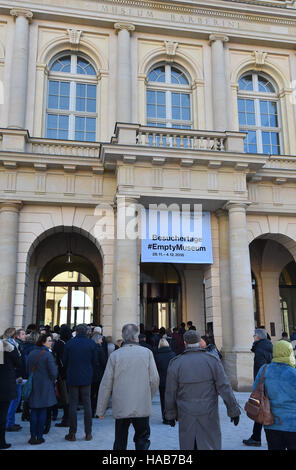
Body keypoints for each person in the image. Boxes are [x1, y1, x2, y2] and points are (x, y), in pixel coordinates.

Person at [165, 330, 240, 450]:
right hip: (208, 411)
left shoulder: (176, 363)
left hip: (186, 412)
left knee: (189, 444)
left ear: (185, 343)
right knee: (209, 444)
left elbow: (170, 392)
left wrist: (170, 414)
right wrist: (233, 409)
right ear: (200, 342)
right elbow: (224, 386)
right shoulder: (212, 360)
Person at [96, 323, 159, 450]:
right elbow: (154, 380)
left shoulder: (115, 355)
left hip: (121, 403)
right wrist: (148, 396)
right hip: (141, 403)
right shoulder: (147, 353)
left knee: (120, 439)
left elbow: (106, 384)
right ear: (136, 337)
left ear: (123, 337)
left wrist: (101, 409)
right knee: (142, 439)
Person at [253, 340, 296, 450]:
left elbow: (255, 390)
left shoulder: (264, 369)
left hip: (270, 421)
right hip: (292, 423)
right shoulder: (293, 373)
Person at [63, 323, 98, 442]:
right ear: (87, 332)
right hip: (87, 377)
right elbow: (95, 361)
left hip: (73, 376)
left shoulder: (69, 343)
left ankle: (72, 433)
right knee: (87, 404)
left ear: (76, 332)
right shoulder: (91, 343)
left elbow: (65, 361)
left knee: (73, 404)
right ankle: (88, 433)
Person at [243, 328, 273, 447]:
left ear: (258, 337)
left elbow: (261, 370)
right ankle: (256, 436)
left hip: (263, 384)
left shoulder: (260, 349)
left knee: (260, 410)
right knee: (264, 410)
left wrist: (258, 387)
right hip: (270, 382)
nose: (253, 337)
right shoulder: (268, 345)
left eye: (254, 335)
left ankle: (256, 437)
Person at [27, 333, 58, 445]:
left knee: (34, 411)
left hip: (33, 384)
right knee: (42, 411)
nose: (51, 342)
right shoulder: (47, 355)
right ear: (43, 342)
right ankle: (39, 436)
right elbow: (54, 372)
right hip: (45, 385)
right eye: (49, 340)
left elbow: (28, 368)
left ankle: (32, 436)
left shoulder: (31, 353)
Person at [0, 336, 22, 449]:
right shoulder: (8, 348)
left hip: (4, 385)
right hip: (4, 385)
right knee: (2, 414)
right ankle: (1, 441)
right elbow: (19, 363)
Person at [3, 328, 25, 432]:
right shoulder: (13, 346)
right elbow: (18, 362)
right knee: (14, 401)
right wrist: (18, 375)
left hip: (8, 376)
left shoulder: (3, 344)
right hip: (14, 376)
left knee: (12, 401)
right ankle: (9, 423)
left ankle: (9, 422)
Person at [52, 324, 72, 428]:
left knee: (64, 396)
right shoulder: (71, 342)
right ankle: (68, 417)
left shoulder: (60, 343)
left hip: (62, 373)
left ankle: (66, 418)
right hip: (71, 372)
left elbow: (56, 358)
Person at [154, 338, 176, 424]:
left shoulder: (157, 356)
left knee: (163, 400)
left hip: (162, 380)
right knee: (172, 399)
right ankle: (172, 417)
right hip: (172, 380)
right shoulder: (173, 354)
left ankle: (165, 418)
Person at [91, 333, 107, 418]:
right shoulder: (100, 349)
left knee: (91, 393)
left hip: (91, 374)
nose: (102, 340)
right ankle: (97, 411)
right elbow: (103, 361)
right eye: (101, 339)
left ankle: (91, 411)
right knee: (98, 394)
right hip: (98, 374)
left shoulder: (91, 348)